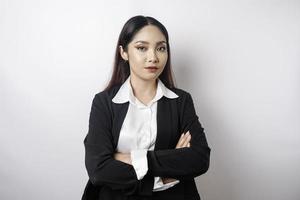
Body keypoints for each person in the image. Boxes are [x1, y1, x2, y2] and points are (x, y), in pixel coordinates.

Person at [82, 15, 211, 200]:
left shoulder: (181, 101)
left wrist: (132, 158)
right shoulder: (104, 102)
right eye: (142, 48)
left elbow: (199, 158)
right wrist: (165, 170)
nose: (153, 57)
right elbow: (98, 170)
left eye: (161, 48)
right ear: (124, 52)